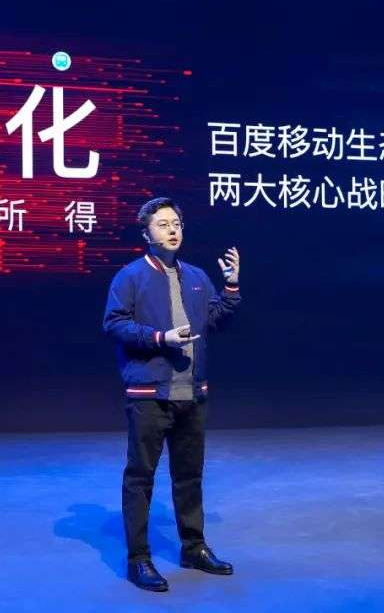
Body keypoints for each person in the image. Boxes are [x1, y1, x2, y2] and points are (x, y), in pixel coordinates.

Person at [102, 196, 242, 592]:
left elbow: (215, 320)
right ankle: (138, 559)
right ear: (146, 234)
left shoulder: (196, 276)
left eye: (176, 223)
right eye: (163, 224)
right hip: (149, 393)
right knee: (140, 477)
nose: (173, 230)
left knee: (189, 475)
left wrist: (231, 285)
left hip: (192, 393)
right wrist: (159, 337)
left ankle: (193, 548)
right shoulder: (130, 277)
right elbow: (114, 324)